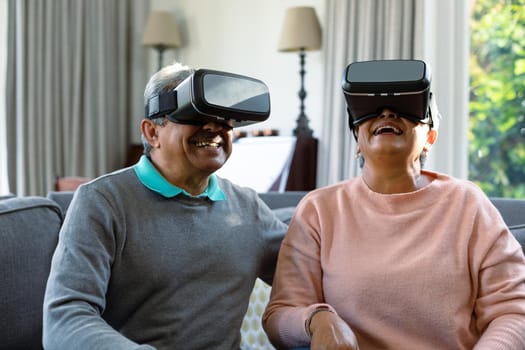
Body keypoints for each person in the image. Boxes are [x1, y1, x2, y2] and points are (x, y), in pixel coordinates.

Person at [262, 59, 525, 349]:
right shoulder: (318, 210)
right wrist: (317, 320)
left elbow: (513, 311)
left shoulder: (468, 204)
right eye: (371, 111)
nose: (387, 112)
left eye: (405, 109)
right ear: (357, 141)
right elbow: (280, 316)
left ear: (430, 138)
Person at [42, 62, 288, 350]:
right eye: (194, 115)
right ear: (151, 133)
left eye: (224, 119)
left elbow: (311, 273)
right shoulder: (103, 202)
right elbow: (64, 320)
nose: (213, 127)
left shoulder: (248, 208)